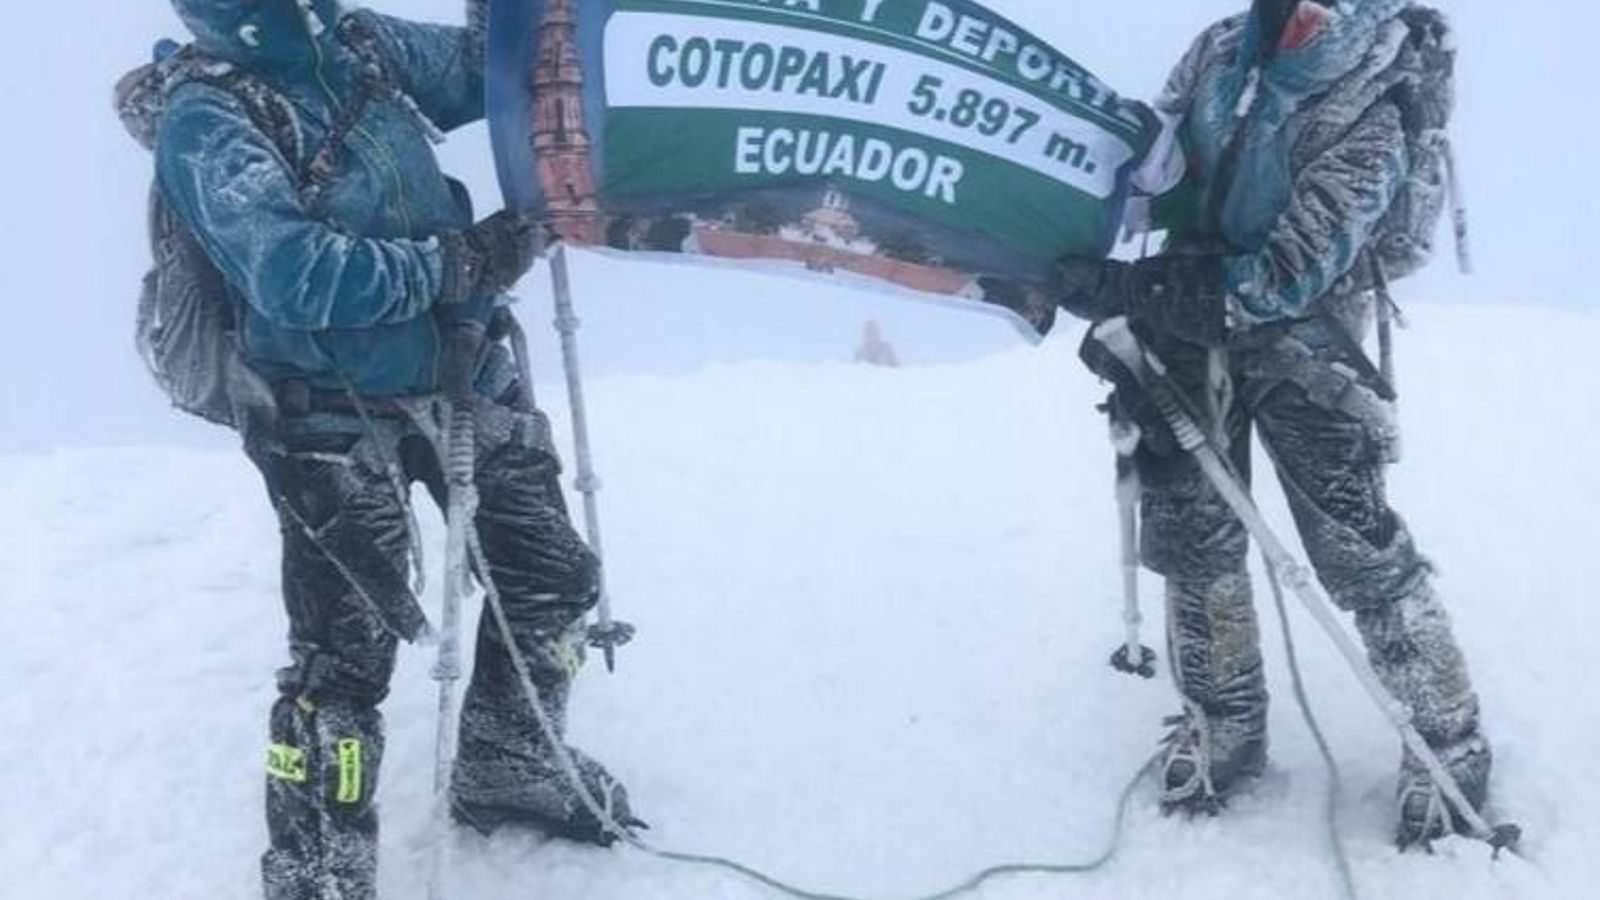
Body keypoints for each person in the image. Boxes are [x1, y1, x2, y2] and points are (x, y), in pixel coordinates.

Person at [147, 2, 638, 896]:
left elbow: (494, 69)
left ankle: (510, 757)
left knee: (552, 577)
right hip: (325, 418)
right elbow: (291, 274)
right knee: (344, 657)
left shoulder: (358, 44)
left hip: (463, 374)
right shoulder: (207, 116)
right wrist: (454, 267)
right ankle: (318, 867)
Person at [1059, 0, 1491, 848]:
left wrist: (1137, 293)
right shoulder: (1222, 50)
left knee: (1354, 549)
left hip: (1308, 342)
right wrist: (1077, 243)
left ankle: (1450, 743)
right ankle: (1226, 724)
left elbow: (1294, 270)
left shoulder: (1378, 89)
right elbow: (1154, 167)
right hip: (1185, 330)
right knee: (1191, 531)